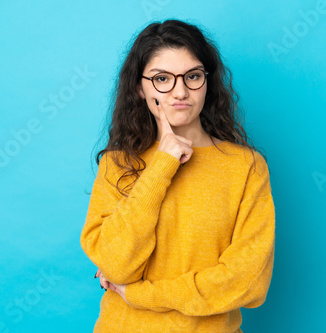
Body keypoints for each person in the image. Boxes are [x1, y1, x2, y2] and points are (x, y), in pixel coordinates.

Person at [80, 19, 275, 333]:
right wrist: (162, 165)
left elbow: (247, 281)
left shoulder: (245, 167)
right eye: (162, 79)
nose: (180, 91)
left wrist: (142, 294)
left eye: (193, 76)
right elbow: (116, 263)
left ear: (207, 82)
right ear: (139, 88)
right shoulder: (117, 165)